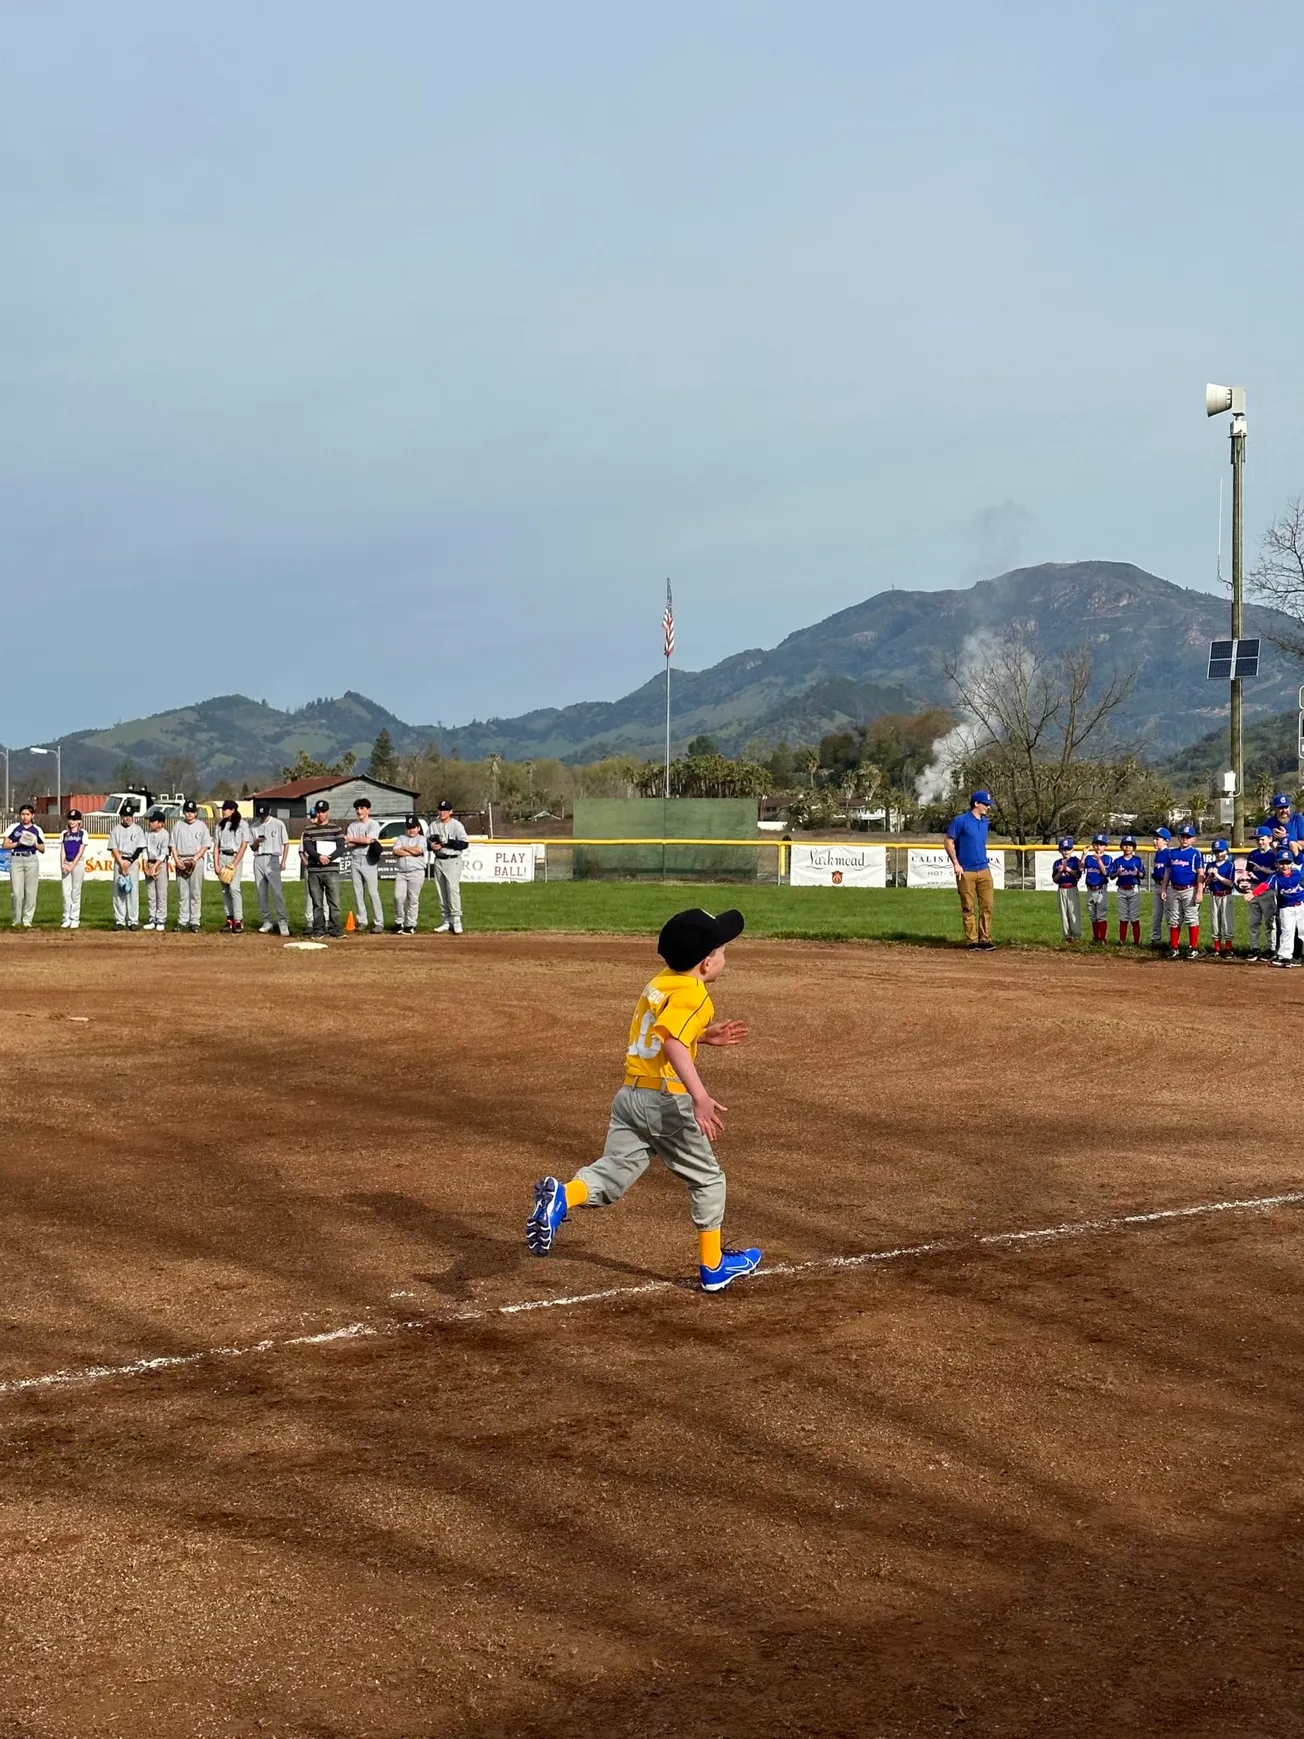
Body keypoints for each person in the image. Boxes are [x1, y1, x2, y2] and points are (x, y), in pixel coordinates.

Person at [525, 906, 762, 1293]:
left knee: (615, 1171)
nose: (725, 958)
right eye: (722, 952)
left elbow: (661, 1033)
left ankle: (563, 1197)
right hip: (667, 1102)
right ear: (705, 964)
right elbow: (670, 1044)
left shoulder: (660, 982)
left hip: (630, 1096)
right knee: (708, 1180)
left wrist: (702, 1036)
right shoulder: (696, 995)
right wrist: (699, 1097)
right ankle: (714, 1266)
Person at [943, 789, 995, 949]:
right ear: (976, 804)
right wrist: (956, 864)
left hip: (984, 868)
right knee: (968, 906)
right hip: (966, 870)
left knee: (987, 906)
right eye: (985, 804)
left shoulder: (985, 822)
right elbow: (948, 842)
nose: (988, 807)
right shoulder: (961, 821)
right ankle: (972, 940)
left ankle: (985, 939)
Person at [300, 798, 347, 938]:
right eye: (318, 812)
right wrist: (319, 856)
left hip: (331, 870)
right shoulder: (309, 830)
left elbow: (341, 848)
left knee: (334, 902)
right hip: (314, 870)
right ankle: (318, 930)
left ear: (328, 812)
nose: (320, 814)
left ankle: (335, 929)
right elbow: (308, 847)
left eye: (323, 812)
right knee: (317, 902)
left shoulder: (336, 829)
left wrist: (329, 858)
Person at [1162, 822, 1204, 960]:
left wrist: (1199, 892)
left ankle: (1193, 947)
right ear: (1178, 838)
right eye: (1182, 836)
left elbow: (1200, 873)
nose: (1185, 839)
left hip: (1189, 889)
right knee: (1174, 919)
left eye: (1188, 836)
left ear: (1193, 839)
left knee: (1191, 918)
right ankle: (1174, 947)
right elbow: (1167, 872)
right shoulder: (1172, 853)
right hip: (1174, 889)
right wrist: (1164, 888)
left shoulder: (1195, 853)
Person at [429, 799, 470, 934]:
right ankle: (446, 921)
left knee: (452, 889)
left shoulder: (456, 825)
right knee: (441, 891)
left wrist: (447, 843)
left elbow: (464, 844)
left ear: (450, 812)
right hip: (439, 859)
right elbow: (427, 841)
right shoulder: (434, 825)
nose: (442, 813)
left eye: (445, 810)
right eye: (441, 810)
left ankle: (457, 920)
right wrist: (432, 846)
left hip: (453, 859)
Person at [171, 800, 212, 932]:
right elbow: (173, 845)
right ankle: (182, 920)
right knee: (183, 893)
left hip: (196, 859)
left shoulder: (202, 826)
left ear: (196, 813)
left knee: (195, 892)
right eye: (187, 811)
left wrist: (194, 859)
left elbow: (205, 845)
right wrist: (177, 860)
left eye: (192, 812)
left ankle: (195, 921)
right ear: (184, 812)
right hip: (181, 859)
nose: (189, 814)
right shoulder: (178, 825)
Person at [345, 796, 385, 932]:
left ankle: (379, 922)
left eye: (362, 808)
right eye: (357, 809)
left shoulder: (373, 824)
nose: (359, 811)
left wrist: (354, 840)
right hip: (355, 859)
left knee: (373, 893)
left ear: (368, 810)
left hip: (369, 860)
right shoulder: (352, 826)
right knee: (358, 893)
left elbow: (369, 840)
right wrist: (357, 841)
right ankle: (362, 920)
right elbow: (348, 844)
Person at [250, 802, 290, 935]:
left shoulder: (278, 824)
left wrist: (283, 860)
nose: (262, 817)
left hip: (273, 858)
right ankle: (267, 921)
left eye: (265, 814)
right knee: (261, 893)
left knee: (277, 892)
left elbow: (285, 843)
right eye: (260, 815)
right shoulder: (254, 826)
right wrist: (256, 842)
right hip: (258, 858)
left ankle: (283, 921)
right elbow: (252, 847)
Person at [6, 803, 46, 928]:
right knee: (17, 893)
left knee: (31, 892)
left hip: (31, 859)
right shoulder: (14, 828)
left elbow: (43, 849)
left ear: (32, 815)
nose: (25, 817)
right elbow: (5, 845)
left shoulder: (36, 829)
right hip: (17, 858)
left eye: (28, 814)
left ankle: (27, 920)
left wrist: (34, 843)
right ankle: (16, 920)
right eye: (23, 814)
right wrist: (18, 843)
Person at [215, 799, 252, 933]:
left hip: (235, 857)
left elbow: (244, 844)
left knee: (234, 888)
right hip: (223, 856)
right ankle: (229, 919)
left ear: (233, 810)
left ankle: (238, 920)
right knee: (225, 890)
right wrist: (216, 864)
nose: (223, 811)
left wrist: (234, 863)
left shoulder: (242, 824)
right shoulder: (220, 825)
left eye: (225, 809)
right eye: (223, 809)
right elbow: (216, 846)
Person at [1245, 825, 1279, 963]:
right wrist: (1248, 877)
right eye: (1257, 839)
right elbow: (1248, 871)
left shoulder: (1274, 854)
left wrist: (1262, 870)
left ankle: (1271, 948)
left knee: (1270, 921)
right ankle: (1255, 948)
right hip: (1254, 888)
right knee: (1254, 921)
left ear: (1270, 839)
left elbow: (1277, 873)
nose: (1260, 842)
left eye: (1262, 839)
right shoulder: (1253, 854)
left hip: (1268, 890)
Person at [109, 802, 146, 930]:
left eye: (130, 815)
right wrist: (121, 862)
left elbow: (140, 848)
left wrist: (129, 862)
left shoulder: (138, 829)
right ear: (121, 817)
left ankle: (133, 920)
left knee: (132, 891)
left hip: (132, 861)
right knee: (119, 891)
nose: (128, 818)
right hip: (120, 860)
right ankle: (120, 920)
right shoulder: (116, 829)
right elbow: (113, 848)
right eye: (125, 815)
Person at [391, 813, 427, 933]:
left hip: (416, 872)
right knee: (398, 897)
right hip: (401, 872)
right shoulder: (401, 838)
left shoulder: (421, 839)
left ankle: (411, 924)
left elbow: (419, 850)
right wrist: (410, 851)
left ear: (418, 828)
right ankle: (399, 922)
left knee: (413, 898)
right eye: (409, 827)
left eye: (413, 827)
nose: (411, 830)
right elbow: (396, 851)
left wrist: (405, 848)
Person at [1109, 835, 1146, 945]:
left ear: (1134, 848)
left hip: (1133, 888)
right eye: (1125, 845)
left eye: (1130, 845)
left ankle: (1136, 942)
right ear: (1121, 847)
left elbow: (1142, 875)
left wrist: (1137, 873)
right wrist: (1117, 873)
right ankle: (1122, 940)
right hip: (1121, 889)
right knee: (1123, 916)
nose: (1127, 847)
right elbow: (1111, 876)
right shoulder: (1117, 861)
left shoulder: (1137, 860)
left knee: (1134, 916)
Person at [1269, 850, 1304, 967]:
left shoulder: (1298, 873)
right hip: (1286, 908)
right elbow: (1265, 885)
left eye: (1287, 862)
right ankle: (1285, 957)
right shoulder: (1275, 877)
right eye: (1281, 863)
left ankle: (1297, 957)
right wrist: (1253, 893)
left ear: (1292, 863)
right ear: (1276, 864)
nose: (1284, 865)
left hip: (1301, 907)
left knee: (1302, 932)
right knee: (1287, 932)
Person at [1205, 838, 1237, 959]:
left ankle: (1229, 948)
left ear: (1226, 852)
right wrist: (1210, 876)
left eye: (1221, 851)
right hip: (1214, 895)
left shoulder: (1229, 865)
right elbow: (1207, 883)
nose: (1218, 854)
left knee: (1226, 920)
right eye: (1216, 851)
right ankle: (1217, 948)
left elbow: (1230, 883)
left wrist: (1217, 875)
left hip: (1226, 895)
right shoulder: (1210, 865)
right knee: (1215, 922)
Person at [141, 807, 173, 932]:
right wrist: (145, 865)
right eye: (151, 820)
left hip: (160, 864)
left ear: (161, 823)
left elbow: (164, 852)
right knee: (151, 894)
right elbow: (144, 849)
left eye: (153, 821)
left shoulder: (165, 834)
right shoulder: (147, 833)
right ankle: (152, 918)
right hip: (149, 862)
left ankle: (161, 919)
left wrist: (155, 866)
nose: (151, 823)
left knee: (161, 893)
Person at [59, 808, 88, 929]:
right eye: (70, 819)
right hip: (66, 863)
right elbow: (62, 851)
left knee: (75, 892)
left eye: (74, 819)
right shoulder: (64, 834)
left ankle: (75, 918)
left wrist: (72, 865)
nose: (72, 821)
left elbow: (81, 851)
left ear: (79, 821)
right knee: (66, 892)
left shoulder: (83, 833)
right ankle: (66, 917)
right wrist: (63, 864)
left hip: (77, 863)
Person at [1051, 836, 1083, 941]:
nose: (1066, 851)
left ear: (1072, 849)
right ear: (1059, 850)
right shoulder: (1057, 863)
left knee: (1073, 912)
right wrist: (1060, 871)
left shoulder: (1074, 861)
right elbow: (1055, 879)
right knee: (1064, 913)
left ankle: (1076, 935)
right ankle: (1067, 936)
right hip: (1061, 889)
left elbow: (1078, 876)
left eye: (1068, 849)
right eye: (1063, 849)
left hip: (1072, 888)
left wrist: (1068, 869)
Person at [1083, 833, 1113, 943]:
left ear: (1105, 846)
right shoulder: (1089, 858)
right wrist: (1083, 855)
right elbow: (1081, 868)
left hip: (1101, 889)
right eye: (1096, 844)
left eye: (1101, 844)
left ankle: (1103, 938)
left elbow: (1105, 872)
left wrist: (1099, 860)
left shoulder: (1107, 858)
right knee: (1092, 915)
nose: (1098, 847)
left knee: (1101, 915)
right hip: (1090, 889)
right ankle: (1096, 938)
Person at [1147, 827, 1173, 947]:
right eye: (1154, 838)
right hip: (1157, 885)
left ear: (1166, 841)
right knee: (1156, 915)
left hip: (1166, 887)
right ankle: (1155, 938)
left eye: (1157, 839)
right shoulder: (1158, 853)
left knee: (1169, 914)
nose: (1154, 841)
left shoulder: (1169, 854)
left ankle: (1171, 940)